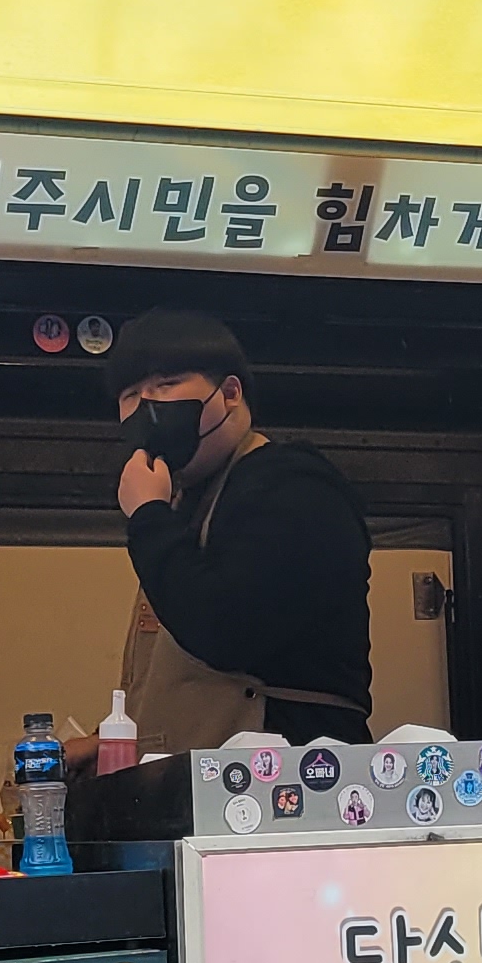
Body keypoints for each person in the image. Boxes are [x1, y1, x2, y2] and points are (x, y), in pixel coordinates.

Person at [107, 309, 371, 751]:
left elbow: (224, 629)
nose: (147, 405)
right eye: (131, 394)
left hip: (290, 775)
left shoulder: (295, 486)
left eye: (167, 384)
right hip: (200, 776)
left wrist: (148, 517)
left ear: (230, 393)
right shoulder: (185, 502)